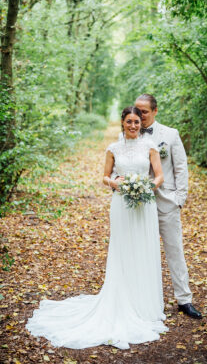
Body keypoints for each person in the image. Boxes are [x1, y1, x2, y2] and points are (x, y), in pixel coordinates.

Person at [26, 106, 168, 350]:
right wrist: (114, 182)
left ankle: (145, 304)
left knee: (144, 249)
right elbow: (105, 176)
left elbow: (159, 176)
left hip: (145, 206)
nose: (133, 126)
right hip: (121, 204)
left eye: (136, 122)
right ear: (122, 123)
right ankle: (121, 299)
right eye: (129, 122)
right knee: (123, 250)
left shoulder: (150, 146)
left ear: (140, 124)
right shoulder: (113, 148)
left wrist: (146, 187)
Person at [134, 93, 202, 319]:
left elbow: (181, 168)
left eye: (143, 111)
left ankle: (184, 300)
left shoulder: (170, 135)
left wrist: (179, 199)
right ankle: (144, 300)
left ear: (154, 111)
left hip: (167, 202)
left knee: (174, 250)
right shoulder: (129, 132)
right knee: (143, 252)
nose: (139, 115)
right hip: (139, 204)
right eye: (137, 110)